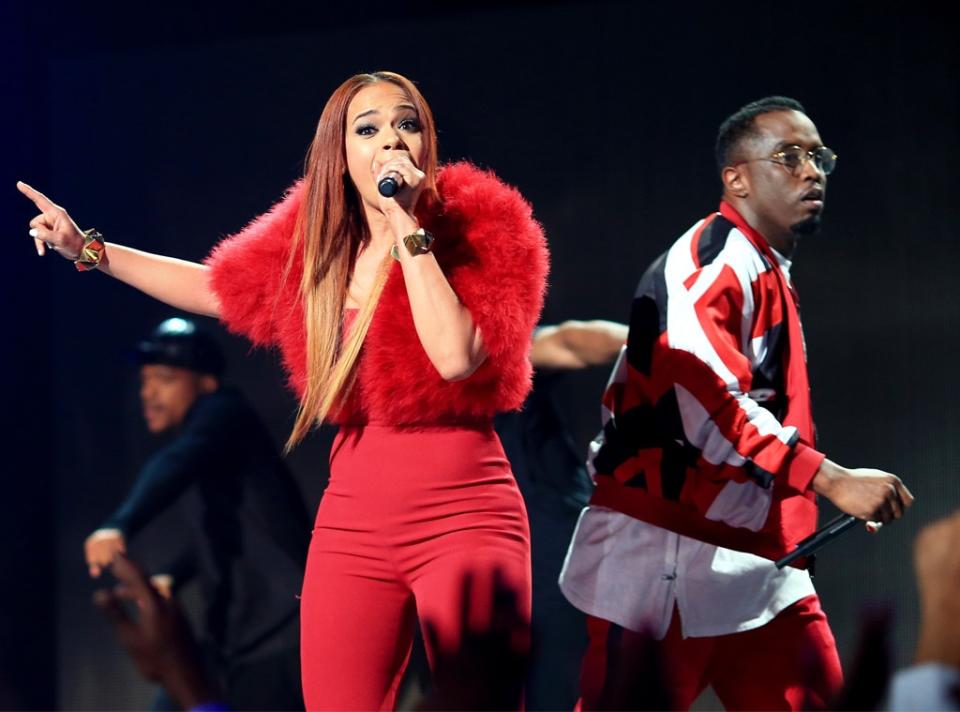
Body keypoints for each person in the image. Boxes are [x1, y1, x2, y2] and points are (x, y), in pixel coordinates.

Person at [19, 70, 548, 709]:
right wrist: (89, 249)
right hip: (354, 517)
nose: (392, 141)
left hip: (467, 510)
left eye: (407, 124)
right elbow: (215, 288)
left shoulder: (482, 225)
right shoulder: (313, 243)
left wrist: (407, 226)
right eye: (369, 128)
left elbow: (455, 356)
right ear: (340, 151)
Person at [558, 96, 914, 710]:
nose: (812, 171)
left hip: (752, 564)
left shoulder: (763, 265)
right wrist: (831, 480)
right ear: (737, 179)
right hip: (662, 558)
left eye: (818, 157)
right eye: (789, 156)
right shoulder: (715, 258)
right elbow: (703, 402)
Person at [85, 317, 308, 711]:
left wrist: (119, 525)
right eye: (144, 381)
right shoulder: (208, 441)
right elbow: (220, 529)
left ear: (207, 382)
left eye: (164, 379)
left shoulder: (224, 412)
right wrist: (173, 573)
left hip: (281, 635)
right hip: (234, 642)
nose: (148, 393)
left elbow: (177, 461)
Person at [494, 319, 627, 710]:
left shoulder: (497, 353)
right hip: (484, 563)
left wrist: (664, 344)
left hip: (558, 551)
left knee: (567, 684)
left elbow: (569, 341)